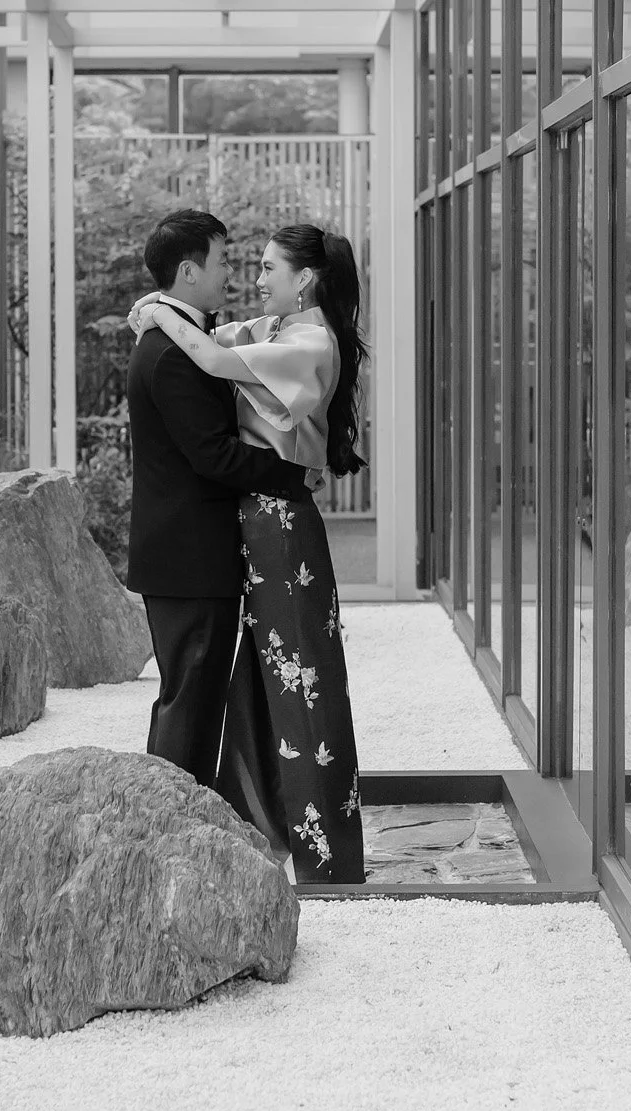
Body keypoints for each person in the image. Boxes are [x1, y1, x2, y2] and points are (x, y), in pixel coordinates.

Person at [130, 224, 368, 885]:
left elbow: (206, 358)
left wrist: (154, 309)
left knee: (301, 686)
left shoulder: (310, 341)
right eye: (248, 264)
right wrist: (163, 314)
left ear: (305, 279)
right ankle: (256, 834)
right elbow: (206, 339)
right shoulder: (280, 330)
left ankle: (325, 857)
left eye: (267, 268)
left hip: (282, 523)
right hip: (263, 521)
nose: (255, 278)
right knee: (265, 690)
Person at [125, 210, 314, 793]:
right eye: (222, 260)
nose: (231, 272)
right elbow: (211, 455)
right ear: (187, 271)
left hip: (190, 557)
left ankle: (179, 825)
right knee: (190, 701)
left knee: (196, 699)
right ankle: (166, 829)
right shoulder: (172, 352)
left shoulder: (182, 337)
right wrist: (291, 474)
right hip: (189, 560)